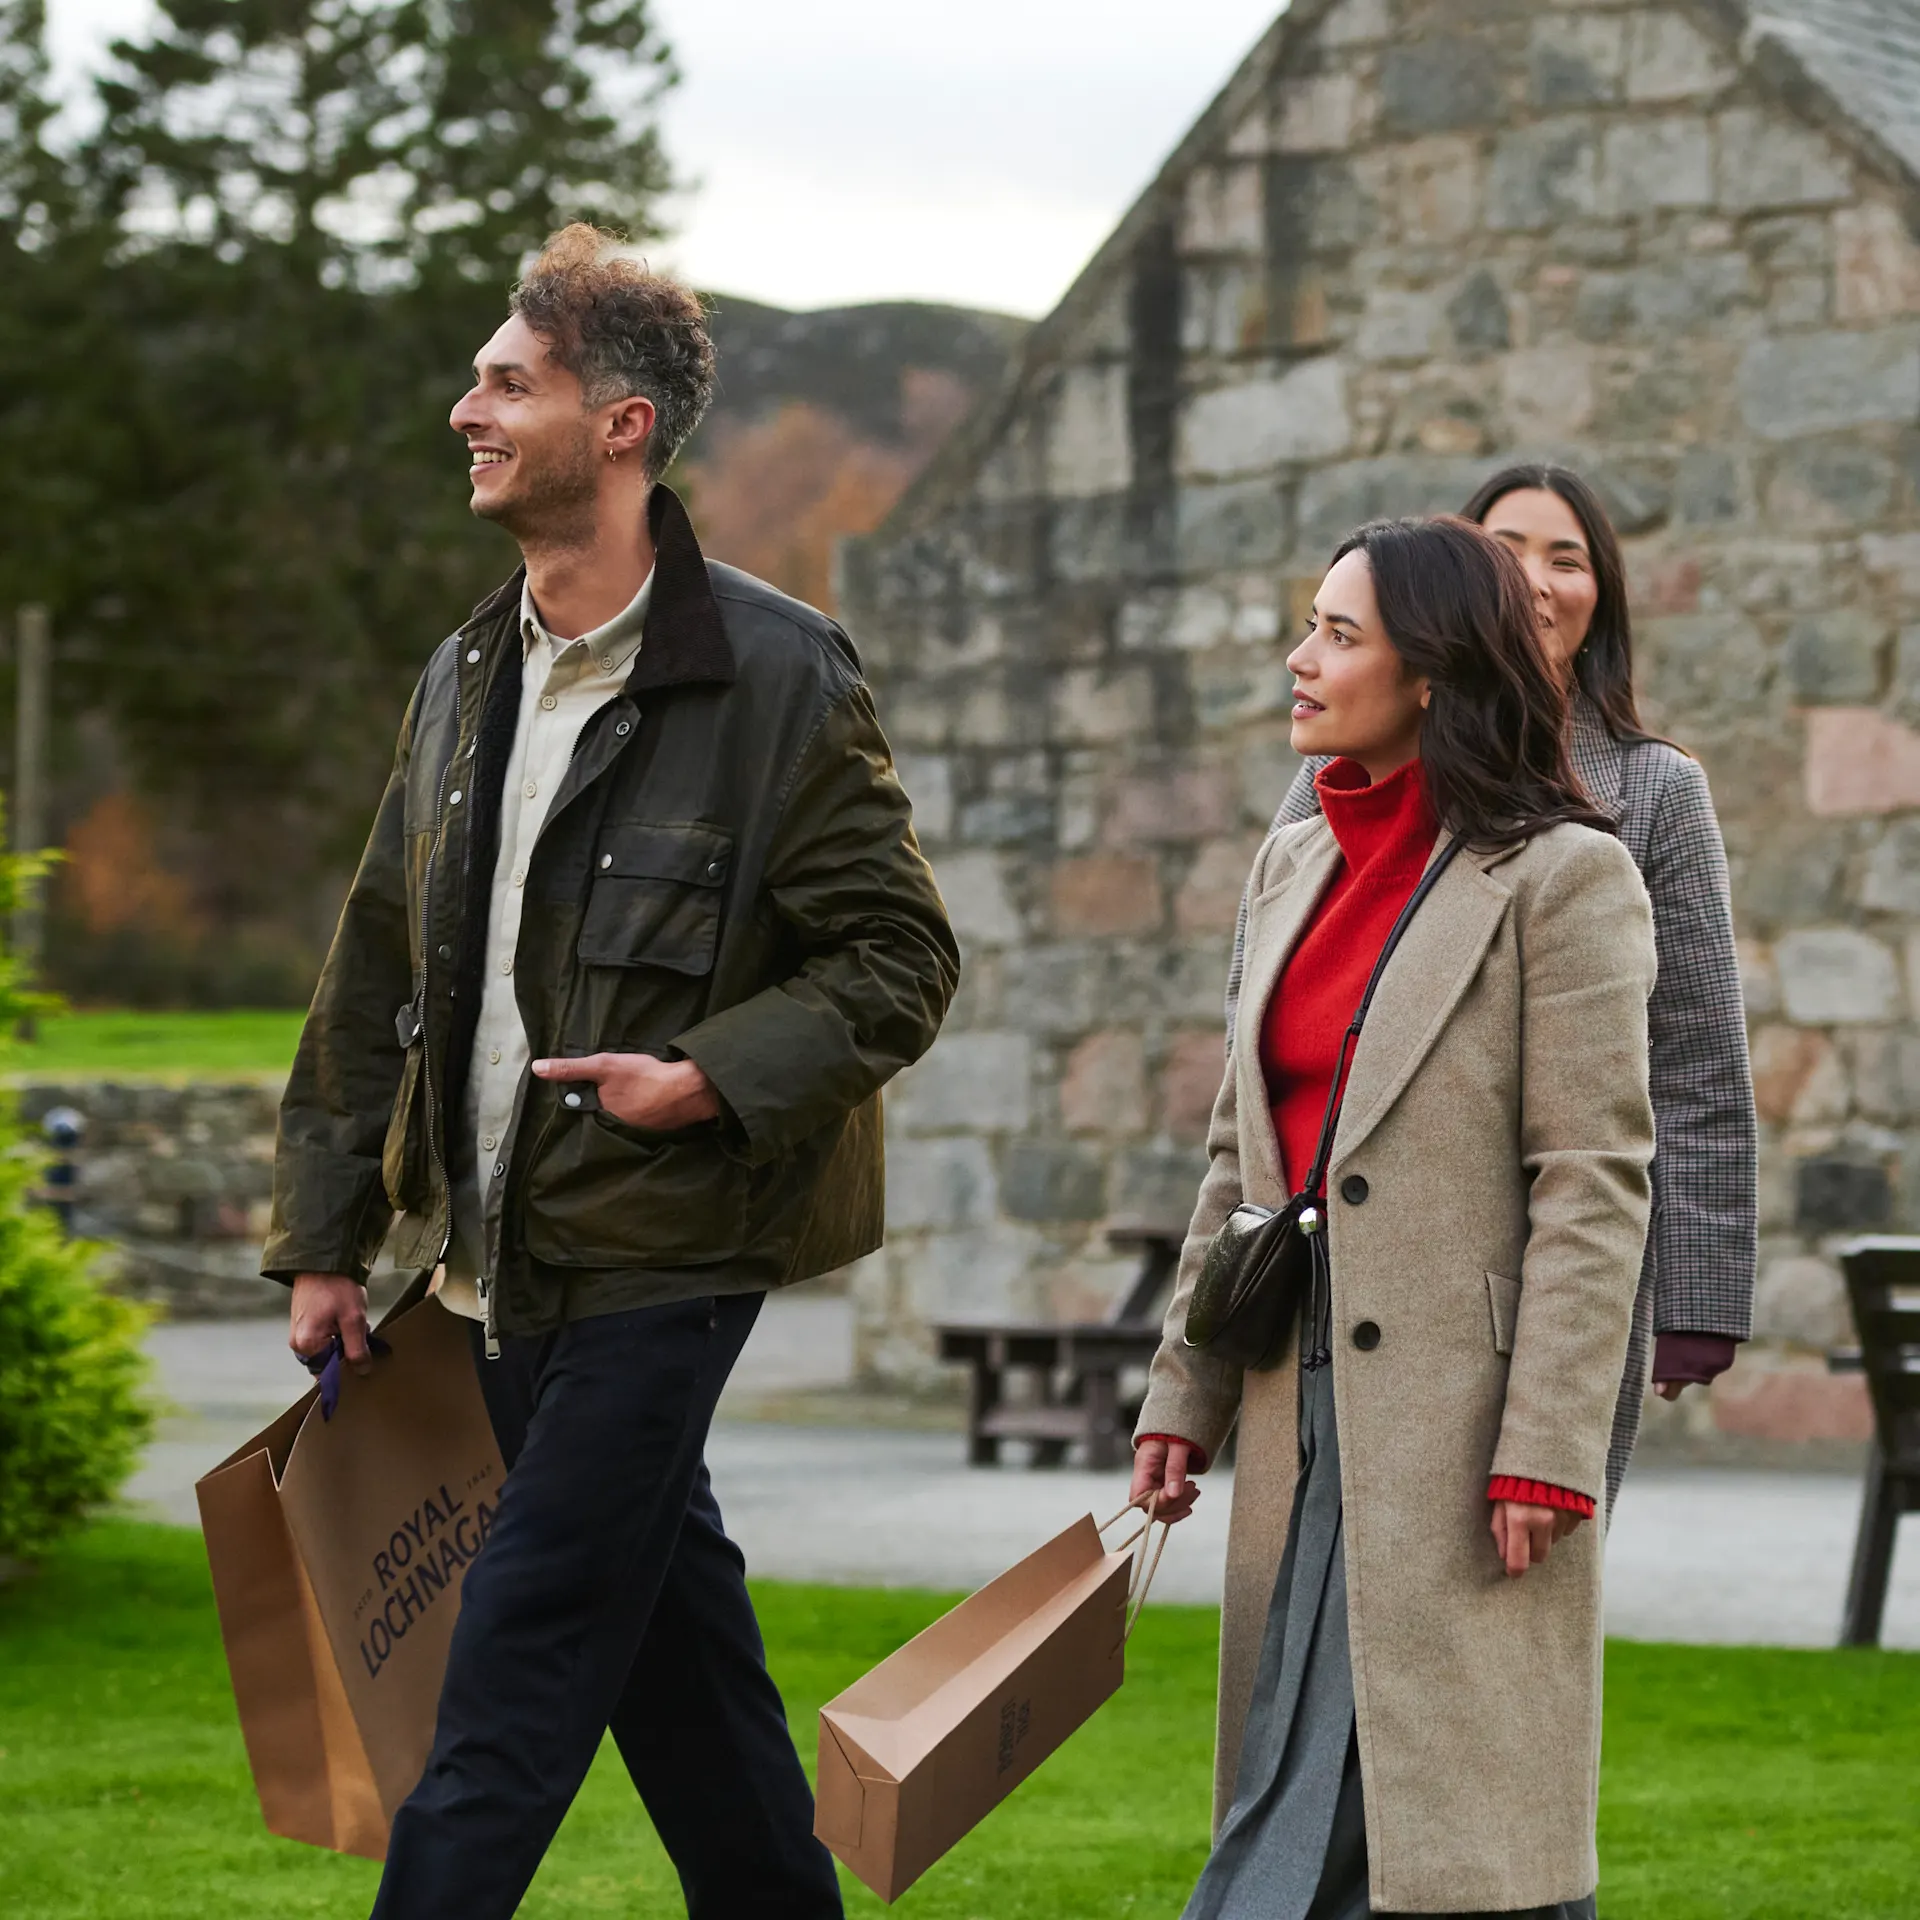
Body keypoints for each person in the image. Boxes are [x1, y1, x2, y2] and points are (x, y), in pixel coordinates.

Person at [263, 224, 959, 1919]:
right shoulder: (464, 675)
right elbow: (376, 963)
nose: (467, 411)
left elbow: (898, 957)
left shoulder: (777, 673)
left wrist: (704, 1075)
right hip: (491, 1273)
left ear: (622, 425)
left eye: (510, 384)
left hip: (667, 1261)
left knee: (512, 1673)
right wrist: (327, 1236)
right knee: (688, 1688)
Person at [1134, 517, 1657, 1918]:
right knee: (1306, 1811)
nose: (1299, 660)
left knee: (1449, 1835)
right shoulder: (1291, 867)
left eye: (1338, 634)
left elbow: (1594, 1177)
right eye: (1309, 626)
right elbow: (1240, 1157)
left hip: (1463, 1428)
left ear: (1431, 673)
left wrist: (1549, 1446)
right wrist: (1182, 1390)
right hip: (1291, 1407)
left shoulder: (1566, 877)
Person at [1229, 462, 1756, 1509]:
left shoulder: (1653, 789)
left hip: (1538, 1274)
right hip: (1346, 1261)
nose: (1538, 580)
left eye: (1568, 559)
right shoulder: (1334, 772)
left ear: (1602, 597)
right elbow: (1262, 1011)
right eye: (1508, 550)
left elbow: (1693, 1055)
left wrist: (1700, 1294)